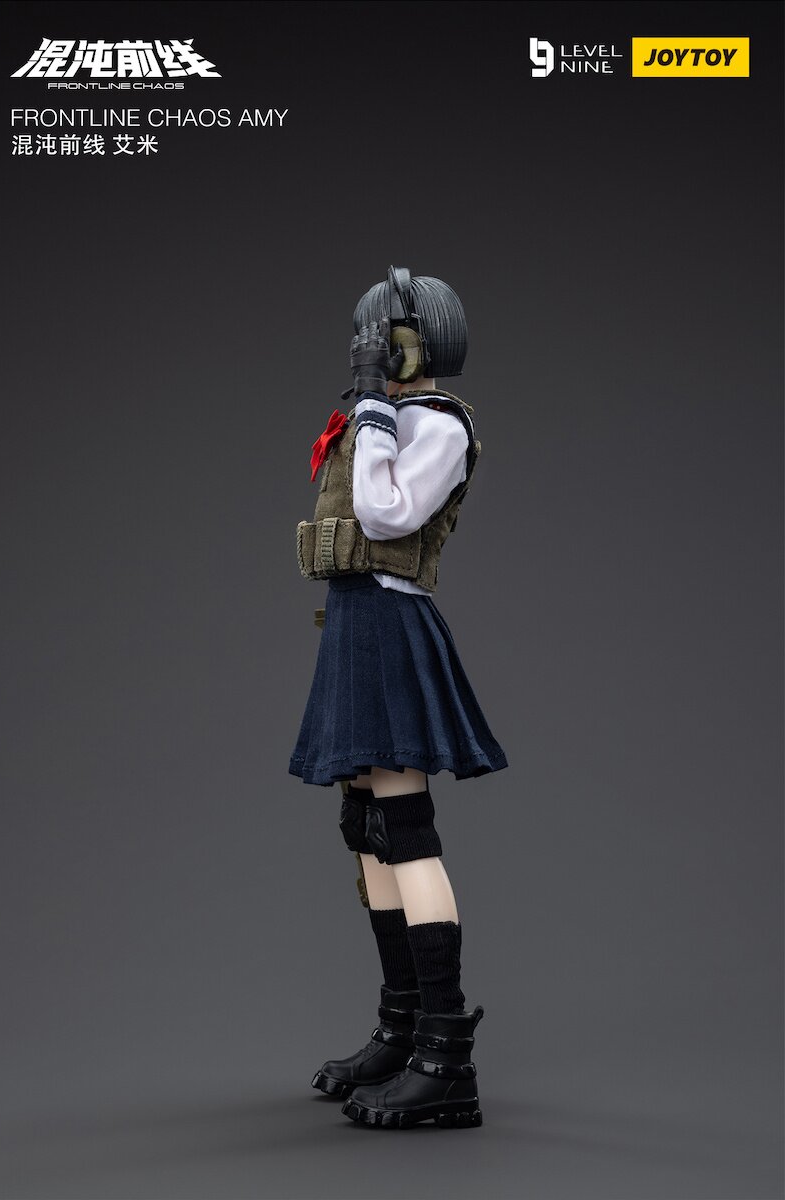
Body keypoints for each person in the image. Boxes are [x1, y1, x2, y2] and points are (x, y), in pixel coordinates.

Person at [289, 267, 508, 1129]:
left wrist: (376, 404)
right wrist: (374, 406)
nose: (368, 352)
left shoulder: (439, 425)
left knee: (404, 825)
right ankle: (402, 1027)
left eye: (380, 340)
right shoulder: (383, 417)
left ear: (412, 343)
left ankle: (446, 1058)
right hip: (354, 621)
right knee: (367, 825)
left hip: (389, 621)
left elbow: (384, 516)